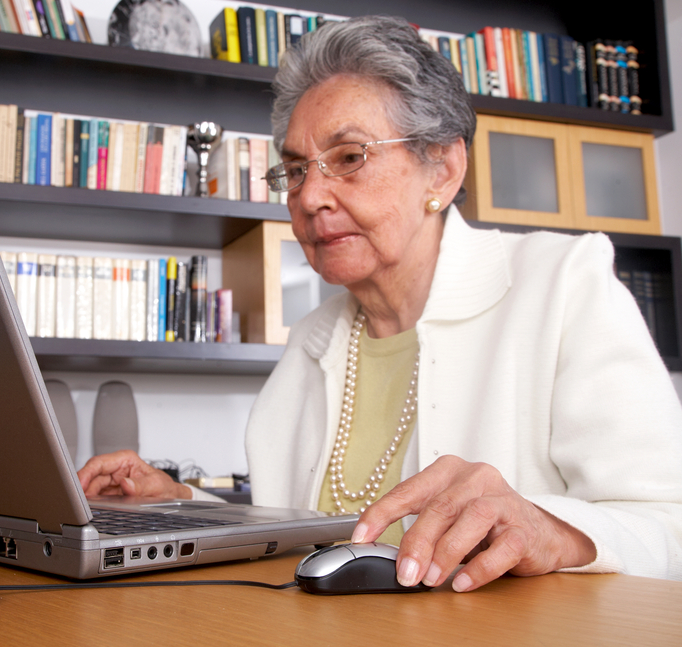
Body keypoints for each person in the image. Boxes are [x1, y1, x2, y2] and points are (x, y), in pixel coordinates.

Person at [78, 15, 682, 592]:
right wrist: (180, 505)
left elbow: (669, 525)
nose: (311, 196)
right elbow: (306, 542)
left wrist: (549, 530)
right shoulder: (311, 340)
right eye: (294, 170)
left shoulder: (563, 284)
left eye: (349, 157)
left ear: (441, 170)